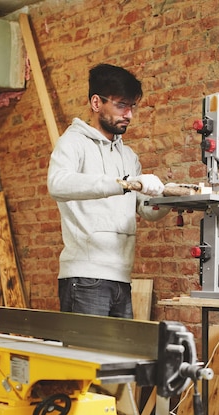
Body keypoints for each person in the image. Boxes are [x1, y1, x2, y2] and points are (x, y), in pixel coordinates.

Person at [47, 63, 171, 319]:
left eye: (132, 107)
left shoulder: (128, 156)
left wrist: (170, 199)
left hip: (121, 278)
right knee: (85, 358)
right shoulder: (73, 142)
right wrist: (124, 183)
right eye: (121, 105)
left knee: (117, 360)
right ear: (96, 102)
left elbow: (145, 210)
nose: (129, 115)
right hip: (85, 277)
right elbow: (57, 184)